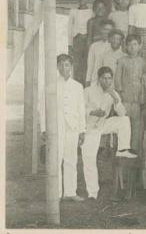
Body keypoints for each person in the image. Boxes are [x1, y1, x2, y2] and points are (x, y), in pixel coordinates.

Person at [82, 66, 137, 200]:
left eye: (109, 78)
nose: (107, 81)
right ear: (99, 78)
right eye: (104, 78)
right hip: (88, 127)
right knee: (89, 159)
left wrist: (115, 98)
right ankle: (92, 193)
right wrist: (93, 112)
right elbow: (80, 109)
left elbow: (122, 113)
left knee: (124, 120)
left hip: (102, 125)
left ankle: (123, 149)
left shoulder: (112, 92)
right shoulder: (88, 91)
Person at [47, 54, 86, 201]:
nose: (64, 68)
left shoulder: (77, 86)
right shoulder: (51, 85)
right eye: (61, 65)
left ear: (71, 67)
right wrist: (45, 128)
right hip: (57, 127)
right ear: (57, 67)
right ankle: (56, 193)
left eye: (67, 65)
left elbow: (81, 109)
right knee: (56, 159)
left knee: (71, 159)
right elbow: (44, 107)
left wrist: (82, 130)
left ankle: (70, 192)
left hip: (72, 127)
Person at [115, 34, 146, 151]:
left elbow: (144, 80)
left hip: (137, 99)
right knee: (124, 123)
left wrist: (142, 96)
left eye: (135, 44)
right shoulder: (122, 61)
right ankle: (123, 148)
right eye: (129, 45)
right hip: (125, 99)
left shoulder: (142, 62)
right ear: (126, 47)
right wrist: (120, 94)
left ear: (140, 46)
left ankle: (134, 148)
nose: (132, 47)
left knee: (136, 125)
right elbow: (117, 79)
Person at [67, 0, 93, 84]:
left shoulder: (91, 12)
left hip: (87, 40)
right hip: (77, 40)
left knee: (87, 63)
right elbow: (70, 29)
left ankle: (86, 86)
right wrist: (70, 45)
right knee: (77, 65)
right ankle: (77, 85)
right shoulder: (73, 11)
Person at [86, 19, 113, 86]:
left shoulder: (114, 47)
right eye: (105, 29)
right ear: (101, 29)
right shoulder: (94, 46)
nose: (107, 32)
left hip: (109, 82)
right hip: (95, 80)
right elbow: (90, 65)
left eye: (110, 30)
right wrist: (88, 80)